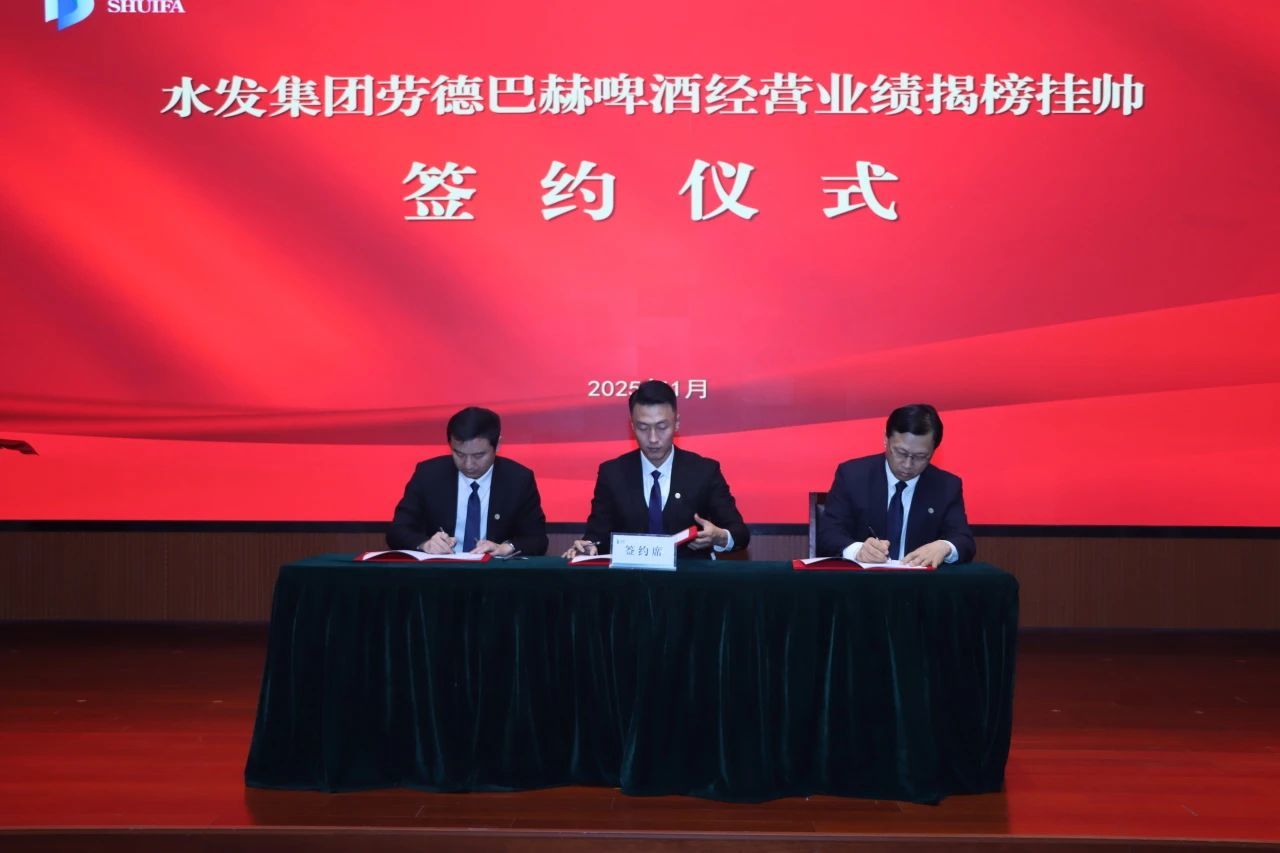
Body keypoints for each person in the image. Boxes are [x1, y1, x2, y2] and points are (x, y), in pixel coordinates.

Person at [563, 380, 749, 560]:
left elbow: (740, 534)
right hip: (630, 578)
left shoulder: (703, 471)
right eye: (643, 428)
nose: (653, 438)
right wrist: (588, 545)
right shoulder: (612, 473)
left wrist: (719, 537)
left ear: (676, 423)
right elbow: (597, 534)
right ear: (632, 426)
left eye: (662, 427)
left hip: (689, 579)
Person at [817, 403, 975, 567]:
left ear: (933, 451)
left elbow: (964, 541)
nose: (907, 464)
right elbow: (828, 535)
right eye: (901, 452)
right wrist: (858, 550)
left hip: (919, 582)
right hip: (863, 580)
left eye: (920, 456)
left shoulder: (946, 486)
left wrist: (945, 547)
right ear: (886, 439)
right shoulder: (853, 476)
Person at [387, 407, 548, 556]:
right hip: (440, 571)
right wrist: (425, 544)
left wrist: (505, 547)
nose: (468, 464)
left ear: (498, 445)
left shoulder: (518, 480)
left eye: (478, 455)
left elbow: (537, 540)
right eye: (459, 454)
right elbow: (397, 531)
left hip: (494, 572)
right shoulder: (428, 474)